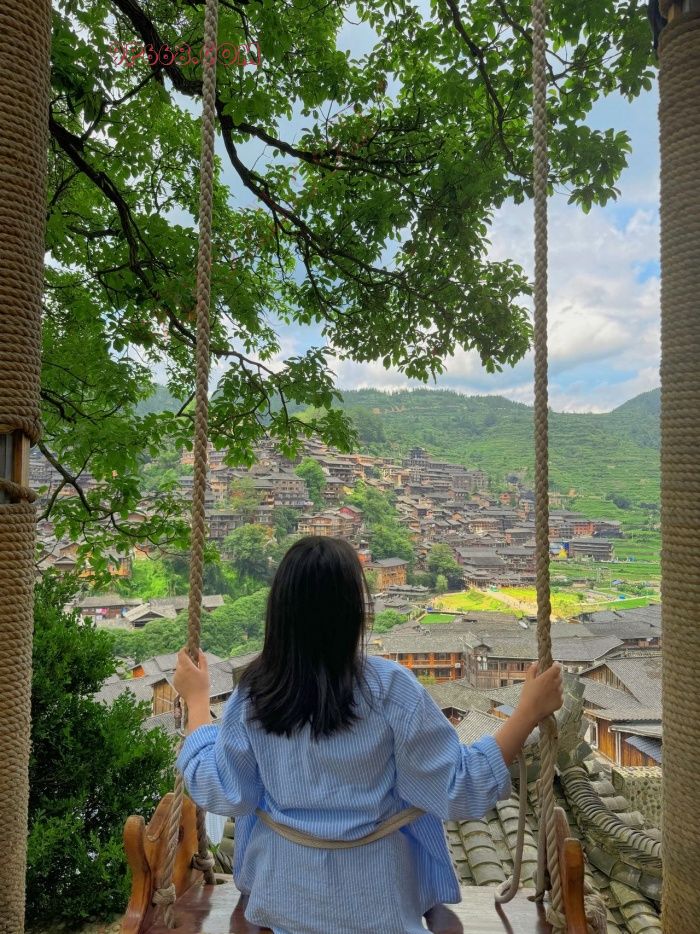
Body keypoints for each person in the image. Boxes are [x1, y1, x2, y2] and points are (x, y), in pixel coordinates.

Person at [174, 536, 563, 934]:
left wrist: (197, 701)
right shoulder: (389, 688)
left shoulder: (255, 696)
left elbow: (223, 789)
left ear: (279, 612)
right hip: (379, 907)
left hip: (282, 902)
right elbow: (458, 786)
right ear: (353, 611)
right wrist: (527, 712)